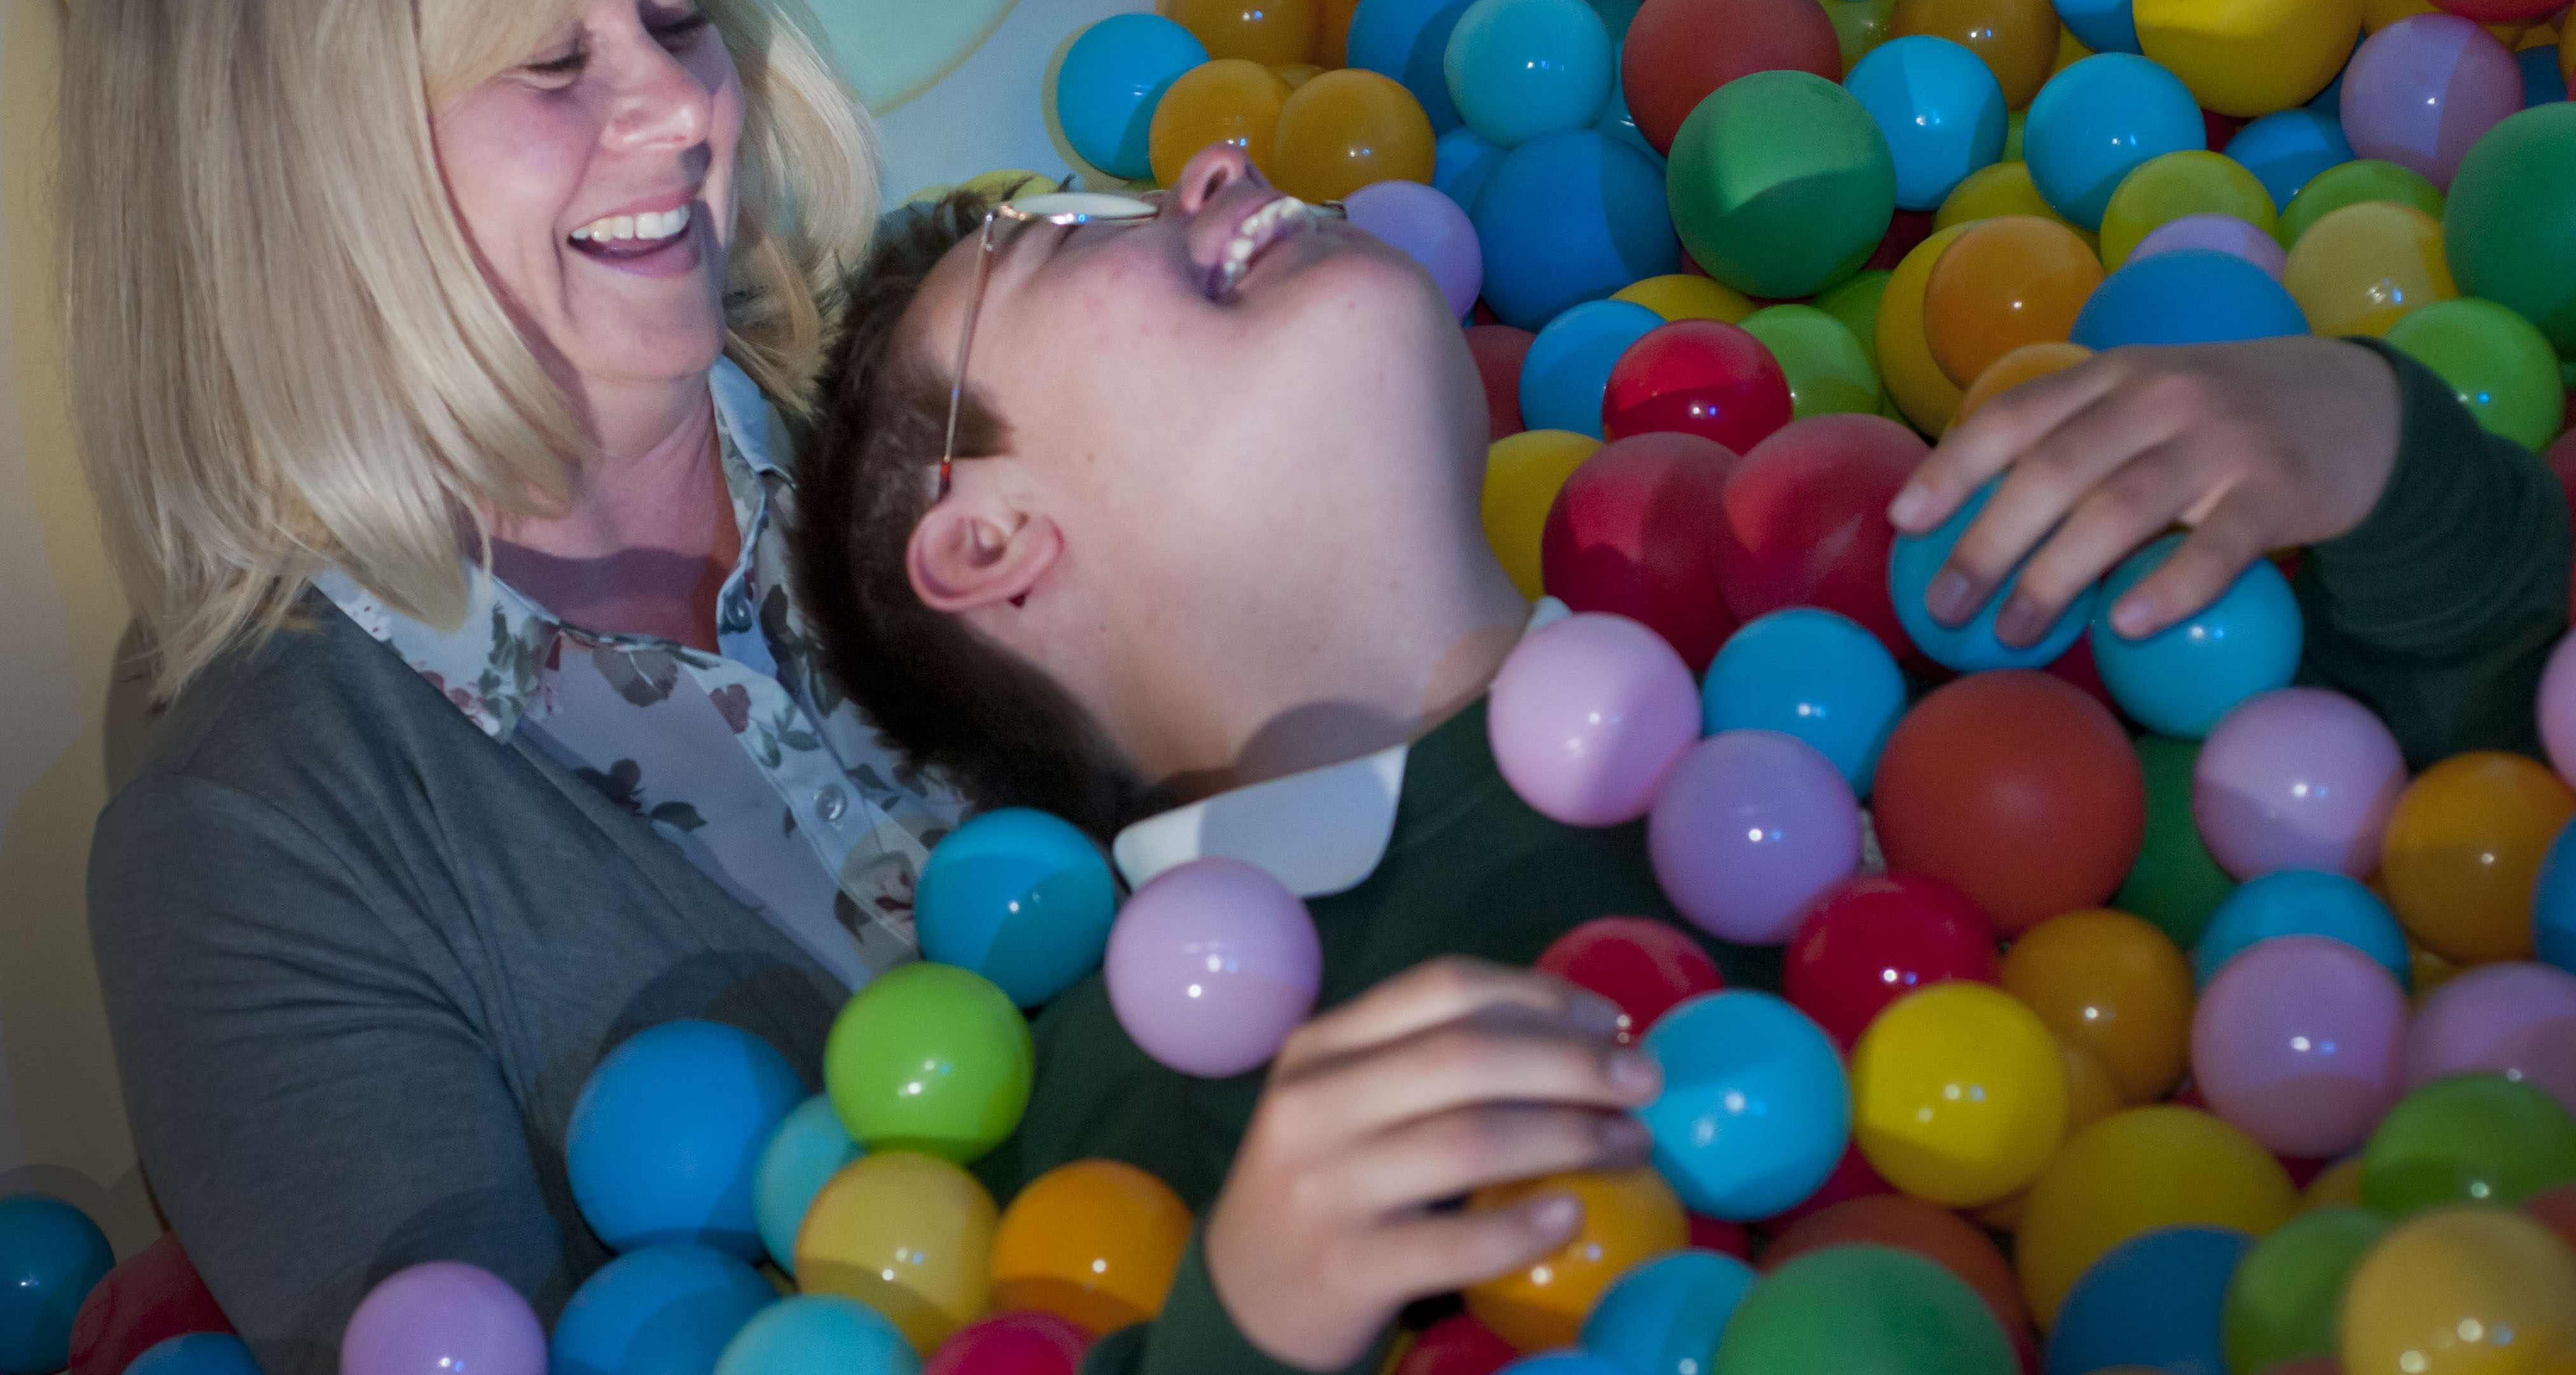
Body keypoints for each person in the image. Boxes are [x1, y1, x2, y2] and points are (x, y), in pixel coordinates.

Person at [792, 148, 2569, 1375]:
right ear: (987, 542)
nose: (1207, 170)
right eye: (1065, 235)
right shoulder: (1140, 1073)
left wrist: (2366, 439)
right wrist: (1254, 1317)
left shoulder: (1899, 595)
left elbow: (2489, 824)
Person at [67, 0, 960, 1359]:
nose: (683, 110)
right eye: (553, 56)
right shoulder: (251, 843)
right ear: (291, 164)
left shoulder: (954, 409)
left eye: (679, 17)